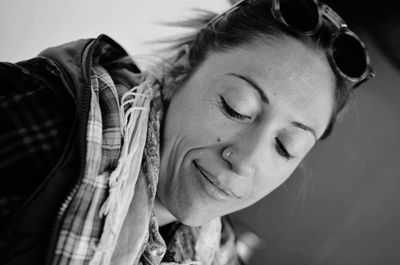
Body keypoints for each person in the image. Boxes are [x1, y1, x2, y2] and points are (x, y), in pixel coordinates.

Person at [0, 0, 374, 264]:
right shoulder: (33, 107)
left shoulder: (218, 255)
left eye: (285, 146)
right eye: (236, 106)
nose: (244, 160)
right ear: (182, 70)